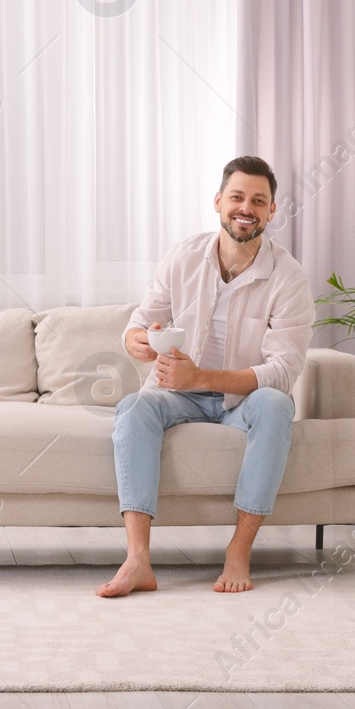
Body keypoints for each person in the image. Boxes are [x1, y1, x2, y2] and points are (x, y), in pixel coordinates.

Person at [97, 155, 313, 596]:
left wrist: (201, 377)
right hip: (180, 395)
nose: (246, 208)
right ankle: (138, 560)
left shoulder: (288, 277)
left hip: (242, 401)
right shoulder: (184, 256)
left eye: (258, 200)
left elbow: (283, 371)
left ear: (272, 211)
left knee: (277, 404)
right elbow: (141, 320)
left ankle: (239, 549)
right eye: (237, 197)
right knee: (134, 406)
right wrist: (136, 339)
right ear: (218, 201)